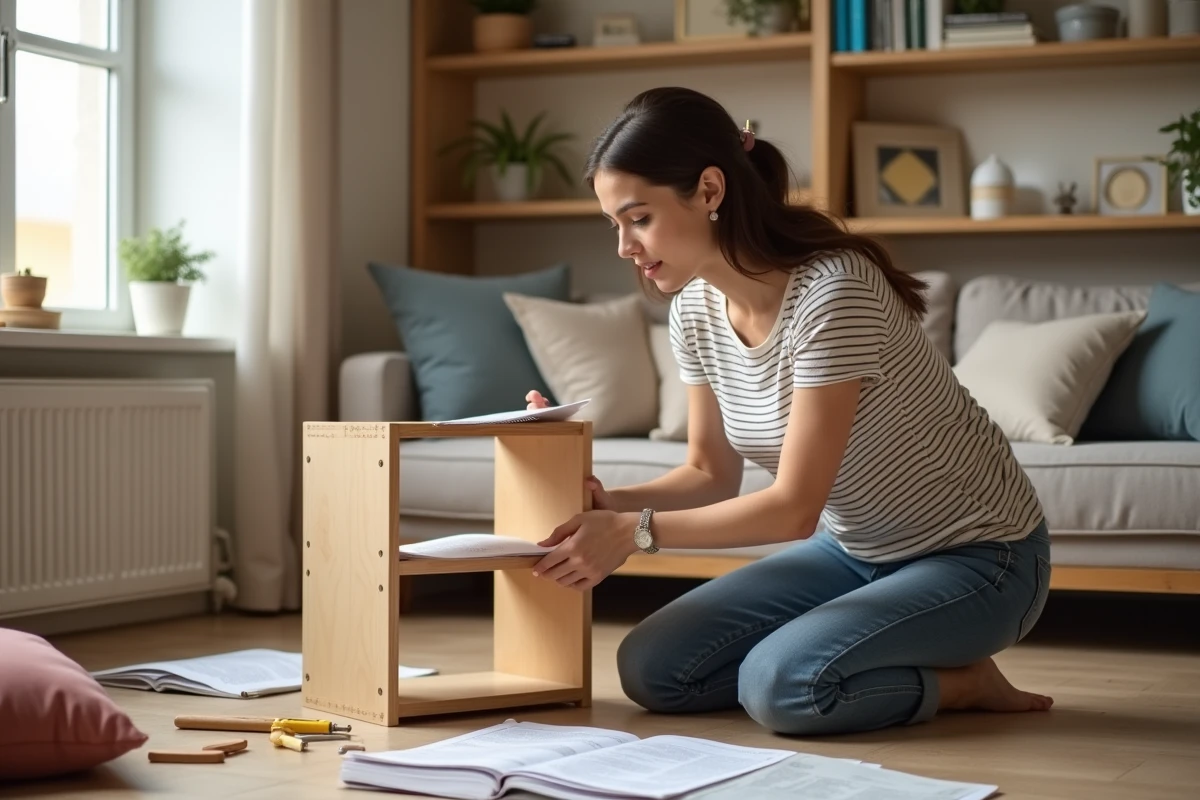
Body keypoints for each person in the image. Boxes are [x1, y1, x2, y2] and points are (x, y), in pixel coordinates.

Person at [524, 86, 1053, 737]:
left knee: (781, 686)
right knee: (654, 669)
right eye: (614, 224)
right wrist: (605, 505)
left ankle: (966, 683)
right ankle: (855, 648)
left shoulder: (834, 293)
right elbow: (707, 472)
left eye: (638, 218)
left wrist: (636, 532)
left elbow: (795, 508)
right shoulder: (693, 311)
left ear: (710, 191)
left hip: (981, 558)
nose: (624, 247)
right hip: (855, 550)